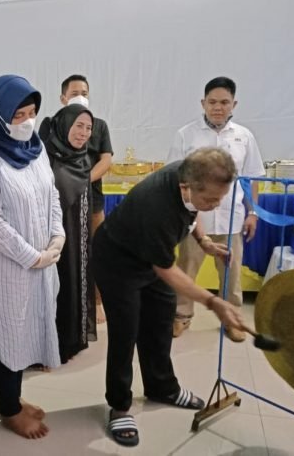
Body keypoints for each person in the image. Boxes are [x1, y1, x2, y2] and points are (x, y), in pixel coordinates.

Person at [92, 147, 248, 447]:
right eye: (211, 200)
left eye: (220, 199)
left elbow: (193, 213)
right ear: (186, 187)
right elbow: (167, 270)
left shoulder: (189, 174)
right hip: (118, 263)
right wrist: (213, 301)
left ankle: (162, 387)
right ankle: (120, 406)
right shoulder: (157, 206)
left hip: (149, 255)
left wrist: (204, 241)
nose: (215, 206)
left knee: (161, 322)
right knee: (126, 333)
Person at [0, 75, 65, 440]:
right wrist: (32, 257)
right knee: (5, 333)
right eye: (17, 115)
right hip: (6, 265)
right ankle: (8, 410)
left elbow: (52, 195)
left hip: (41, 261)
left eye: (31, 112)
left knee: (26, 330)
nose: (26, 121)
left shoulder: (36, 148)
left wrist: (58, 236)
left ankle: (14, 398)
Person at [167, 76, 264, 341]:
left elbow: (252, 178)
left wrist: (253, 212)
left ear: (234, 104)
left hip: (232, 218)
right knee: (186, 269)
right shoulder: (186, 135)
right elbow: (174, 176)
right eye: (212, 102)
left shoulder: (244, 137)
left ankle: (232, 320)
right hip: (194, 220)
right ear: (203, 103)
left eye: (224, 102)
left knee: (231, 274)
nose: (218, 107)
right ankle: (181, 317)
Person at [40, 74, 113, 323]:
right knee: (64, 252)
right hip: (60, 201)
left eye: (84, 93)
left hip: (92, 199)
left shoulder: (99, 125)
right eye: (74, 93)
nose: (80, 97)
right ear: (63, 98)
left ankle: (96, 302)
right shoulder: (51, 124)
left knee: (96, 251)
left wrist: (83, 179)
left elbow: (106, 160)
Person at [40, 104, 96, 363]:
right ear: (64, 126)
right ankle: (47, 347)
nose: (83, 133)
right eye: (78, 126)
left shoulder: (84, 158)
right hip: (50, 235)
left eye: (88, 128)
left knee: (74, 280)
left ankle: (71, 339)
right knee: (52, 285)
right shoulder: (44, 158)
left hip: (77, 236)